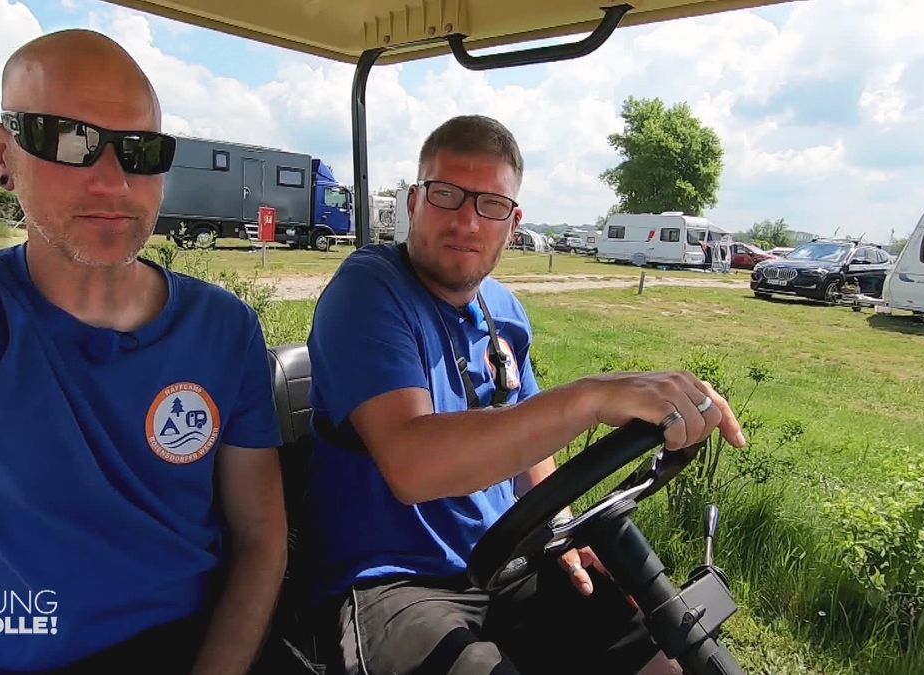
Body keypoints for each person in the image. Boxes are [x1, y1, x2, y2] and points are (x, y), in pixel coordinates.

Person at [0, 30, 287, 675]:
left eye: (140, 151)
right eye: (65, 139)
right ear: (0, 152)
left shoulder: (225, 329)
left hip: (184, 647)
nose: (112, 181)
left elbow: (261, 536)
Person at [305, 114, 746, 675]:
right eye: (446, 195)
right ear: (413, 202)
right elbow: (412, 465)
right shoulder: (368, 293)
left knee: (662, 654)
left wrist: (563, 531)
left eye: (489, 204)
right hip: (394, 582)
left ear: (512, 223)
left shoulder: (504, 313)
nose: (467, 220)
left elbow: (532, 450)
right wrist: (588, 398)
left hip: (505, 560)